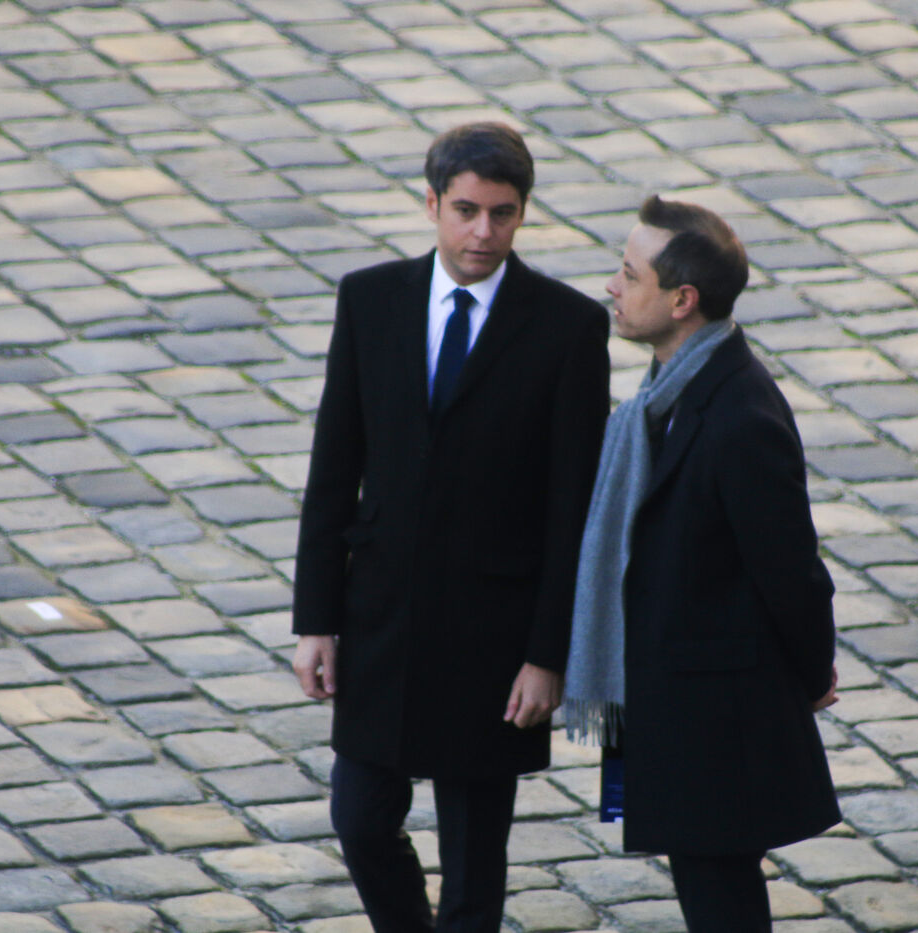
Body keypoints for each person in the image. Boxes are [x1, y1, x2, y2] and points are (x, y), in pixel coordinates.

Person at [291, 122, 611, 933]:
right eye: (466, 211)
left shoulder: (568, 327)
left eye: (503, 214)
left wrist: (548, 655)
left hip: (493, 638)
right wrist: (317, 620)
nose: (483, 233)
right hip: (383, 620)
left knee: (474, 863)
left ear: (523, 213)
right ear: (432, 204)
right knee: (361, 820)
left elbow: (573, 509)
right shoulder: (370, 300)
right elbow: (333, 469)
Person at [564, 195, 840, 932]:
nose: (613, 286)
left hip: (716, 715)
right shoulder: (667, 392)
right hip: (676, 703)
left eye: (631, 275)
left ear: (683, 300)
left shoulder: (738, 416)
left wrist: (812, 674)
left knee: (720, 895)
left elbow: (792, 571)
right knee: (707, 883)